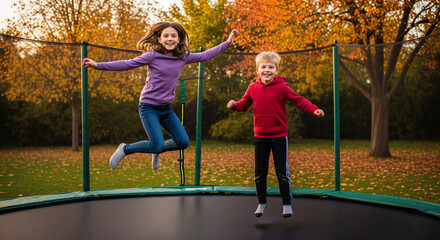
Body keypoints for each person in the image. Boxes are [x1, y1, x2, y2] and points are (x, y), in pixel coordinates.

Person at [83, 22, 239, 170]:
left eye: (173, 36)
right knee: (156, 144)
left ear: (179, 39)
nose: (170, 39)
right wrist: (98, 65)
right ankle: (126, 148)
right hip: (148, 107)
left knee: (183, 142)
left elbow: (205, 55)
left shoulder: (183, 56)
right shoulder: (152, 55)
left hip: (166, 108)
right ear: (159, 39)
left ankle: (156, 149)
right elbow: (127, 64)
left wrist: (227, 42)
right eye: (166, 36)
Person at [227, 52, 324, 218]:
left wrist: (313, 109)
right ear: (257, 70)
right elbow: (244, 104)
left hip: (279, 136)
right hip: (260, 137)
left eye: (270, 67)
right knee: (260, 173)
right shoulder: (252, 88)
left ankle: (286, 204)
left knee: (282, 172)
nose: (267, 70)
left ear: (276, 70)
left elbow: (298, 100)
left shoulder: (282, 87)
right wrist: (234, 105)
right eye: (263, 67)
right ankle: (261, 202)